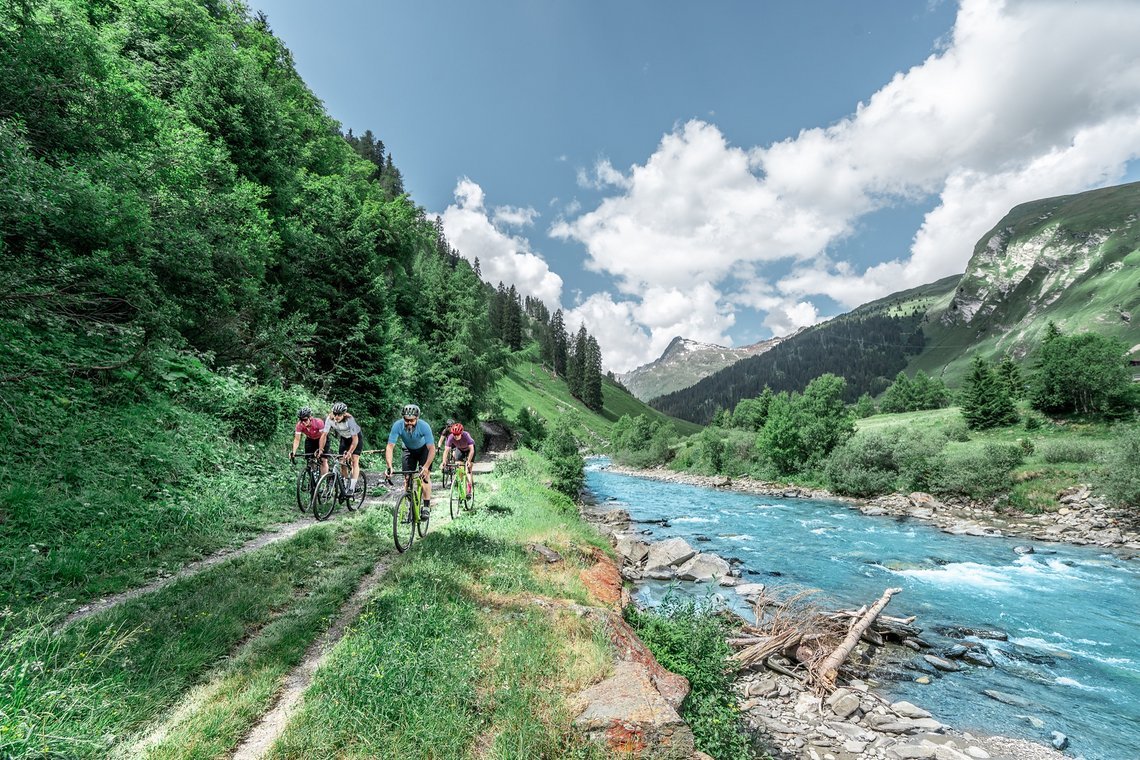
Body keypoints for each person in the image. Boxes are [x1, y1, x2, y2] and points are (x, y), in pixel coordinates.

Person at [385, 403, 435, 517]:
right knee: (407, 478)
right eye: (406, 420)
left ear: (417, 418)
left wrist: (426, 467)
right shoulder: (398, 425)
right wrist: (389, 466)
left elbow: (432, 448)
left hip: (423, 450)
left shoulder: (424, 426)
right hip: (408, 450)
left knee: (425, 477)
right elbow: (390, 446)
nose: (409, 423)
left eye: (412, 420)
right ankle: (411, 505)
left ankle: (426, 506)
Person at [318, 401, 364, 495]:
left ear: (344, 414)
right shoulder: (330, 419)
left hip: (355, 438)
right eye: (335, 414)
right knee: (342, 462)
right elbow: (324, 435)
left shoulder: (349, 420)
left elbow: (355, 439)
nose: (336, 417)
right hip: (344, 439)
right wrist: (321, 449)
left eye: (339, 415)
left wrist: (350, 452)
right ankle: (345, 484)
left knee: (354, 461)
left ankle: (352, 487)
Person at [441, 421, 476, 498]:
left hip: (470, 450)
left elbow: (472, 450)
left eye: (457, 435)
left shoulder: (466, 435)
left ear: (461, 433)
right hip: (460, 449)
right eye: (454, 434)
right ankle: (461, 489)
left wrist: (469, 461)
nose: (456, 436)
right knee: (458, 468)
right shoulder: (450, 437)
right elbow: (446, 450)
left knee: (468, 470)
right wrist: (444, 461)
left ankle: (469, 489)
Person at [290, 407, 326, 472]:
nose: (303, 422)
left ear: (310, 417)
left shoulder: (318, 422)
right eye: (301, 420)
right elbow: (297, 439)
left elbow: (323, 436)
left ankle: (325, 479)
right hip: (310, 439)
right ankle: (313, 476)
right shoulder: (299, 425)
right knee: (309, 460)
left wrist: (320, 449)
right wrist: (294, 452)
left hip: (322, 438)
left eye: (305, 420)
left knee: (323, 459)